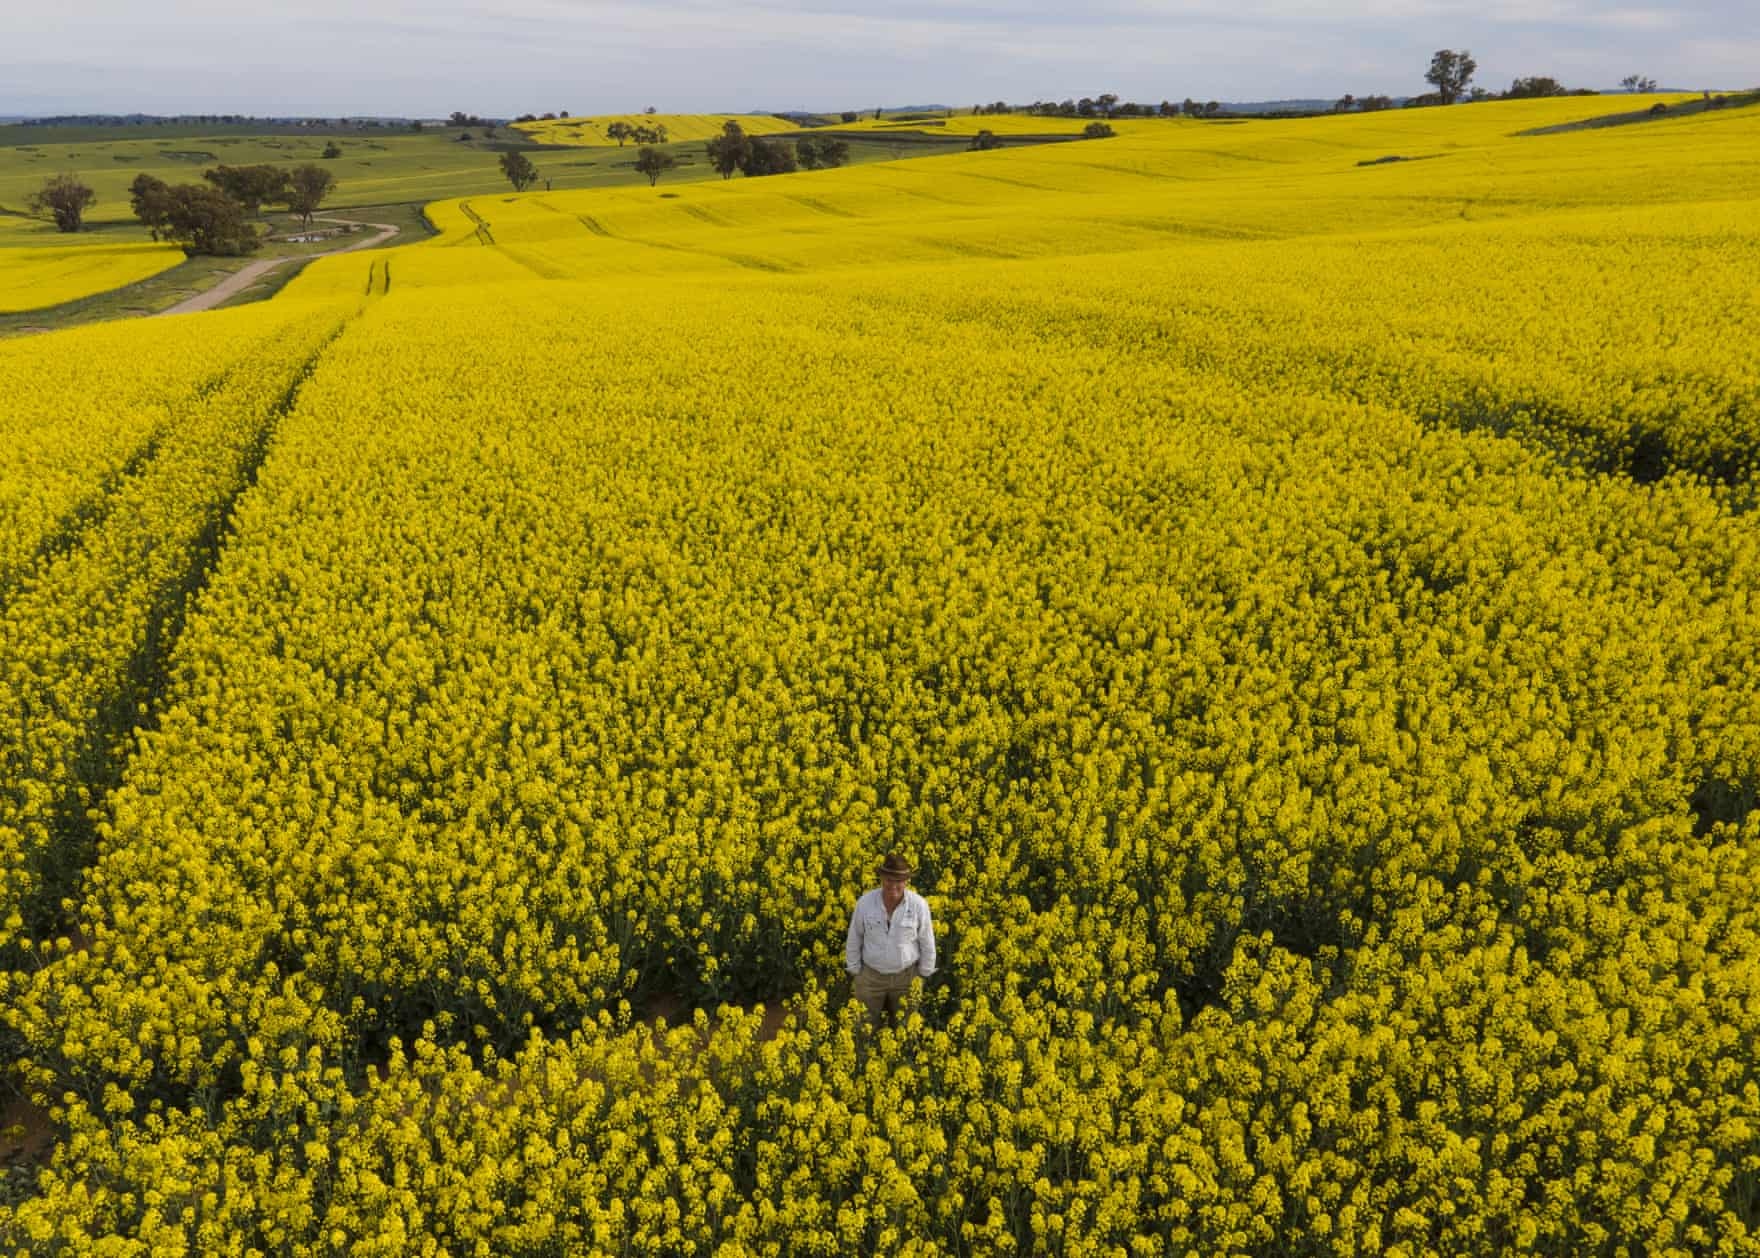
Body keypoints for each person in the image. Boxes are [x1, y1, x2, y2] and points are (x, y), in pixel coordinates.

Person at [845, 853, 936, 1025]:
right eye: (889, 879)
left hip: (907, 978)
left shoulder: (918, 905)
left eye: (898, 880)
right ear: (881, 878)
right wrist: (856, 971)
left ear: (906, 881)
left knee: (906, 1028)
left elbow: (927, 941)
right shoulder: (865, 903)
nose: (893, 885)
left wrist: (923, 974)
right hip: (870, 977)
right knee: (863, 1026)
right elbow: (854, 938)